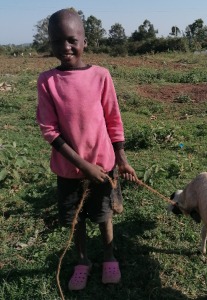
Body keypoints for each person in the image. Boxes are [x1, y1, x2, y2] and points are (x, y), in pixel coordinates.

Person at [36, 8, 137, 291]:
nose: (65, 47)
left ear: (84, 41)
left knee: (103, 214)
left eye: (71, 39)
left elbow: (113, 120)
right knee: (75, 218)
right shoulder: (47, 81)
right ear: (50, 43)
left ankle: (108, 256)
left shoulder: (101, 76)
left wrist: (122, 159)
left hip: (103, 164)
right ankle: (82, 260)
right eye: (57, 41)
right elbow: (49, 130)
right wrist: (83, 165)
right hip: (68, 170)